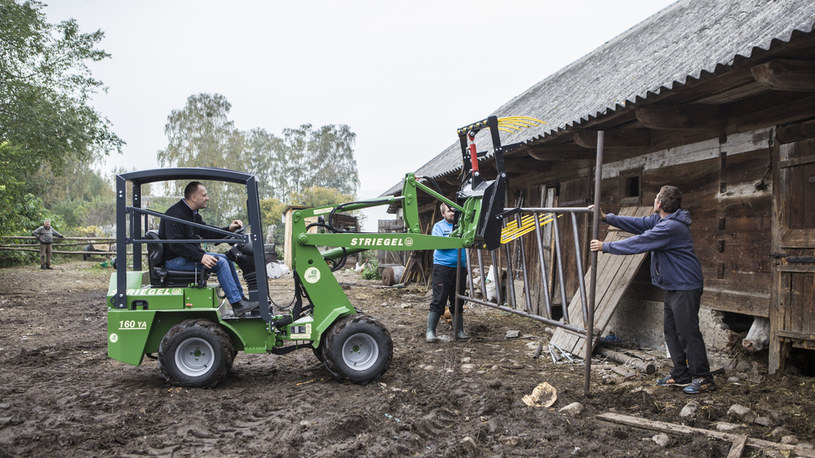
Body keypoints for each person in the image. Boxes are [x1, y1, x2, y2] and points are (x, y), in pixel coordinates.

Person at [589, 185, 714, 394]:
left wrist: (606, 246)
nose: (655, 201)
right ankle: (681, 374)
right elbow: (638, 224)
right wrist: (606, 217)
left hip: (686, 286)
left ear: (659, 204)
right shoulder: (662, 221)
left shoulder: (669, 227)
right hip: (674, 286)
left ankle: (704, 377)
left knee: (688, 333)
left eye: (656, 198)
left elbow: (640, 242)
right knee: (671, 332)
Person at [158, 181, 258, 317]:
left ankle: (240, 299)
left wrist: (228, 230)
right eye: (204, 195)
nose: (207, 198)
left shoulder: (192, 214)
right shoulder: (175, 214)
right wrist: (201, 257)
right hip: (175, 260)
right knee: (220, 263)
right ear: (193, 197)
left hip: (185, 257)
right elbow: (176, 245)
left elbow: (206, 232)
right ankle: (237, 304)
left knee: (226, 259)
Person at [426, 202, 469, 342]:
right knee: (439, 300)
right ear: (443, 214)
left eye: (454, 211)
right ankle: (430, 332)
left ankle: (459, 331)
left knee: (458, 300)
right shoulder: (439, 227)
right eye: (449, 211)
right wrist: (455, 238)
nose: (452, 213)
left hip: (460, 267)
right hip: (443, 267)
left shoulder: (464, 226)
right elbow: (440, 245)